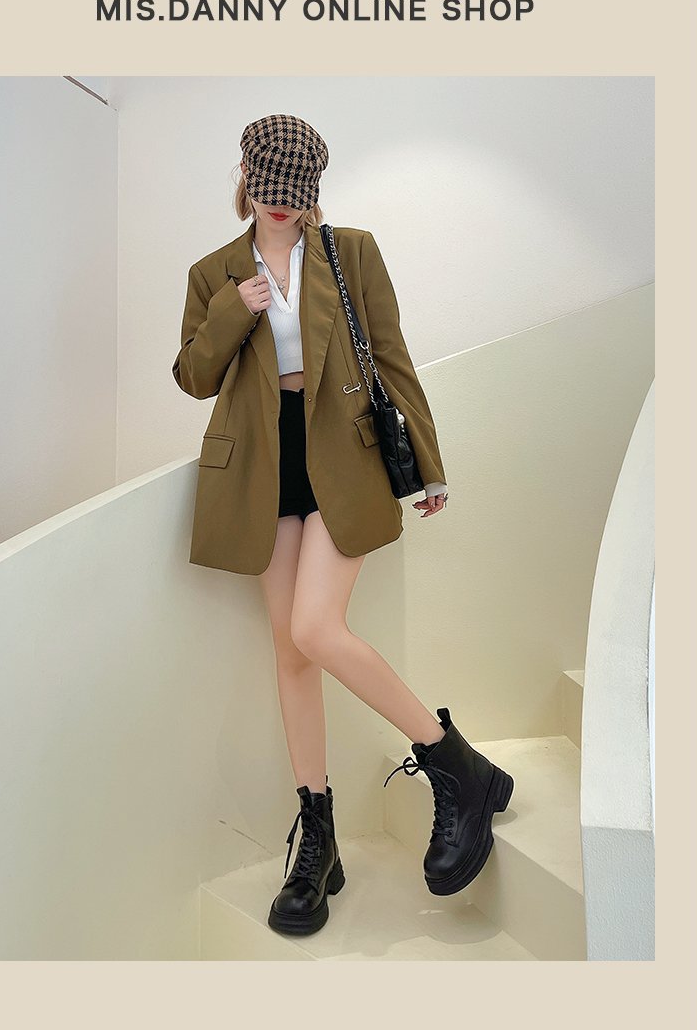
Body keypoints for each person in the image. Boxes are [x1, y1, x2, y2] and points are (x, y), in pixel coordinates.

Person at [172, 113, 513, 938]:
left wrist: (428, 460)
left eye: (297, 192)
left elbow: (390, 354)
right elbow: (193, 375)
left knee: (317, 627)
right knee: (292, 651)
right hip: (262, 466)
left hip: (343, 456)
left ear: (313, 189)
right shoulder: (214, 271)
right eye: (270, 188)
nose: (282, 204)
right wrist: (233, 310)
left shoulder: (349, 251)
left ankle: (455, 766)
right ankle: (318, 838)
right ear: (246, 175)